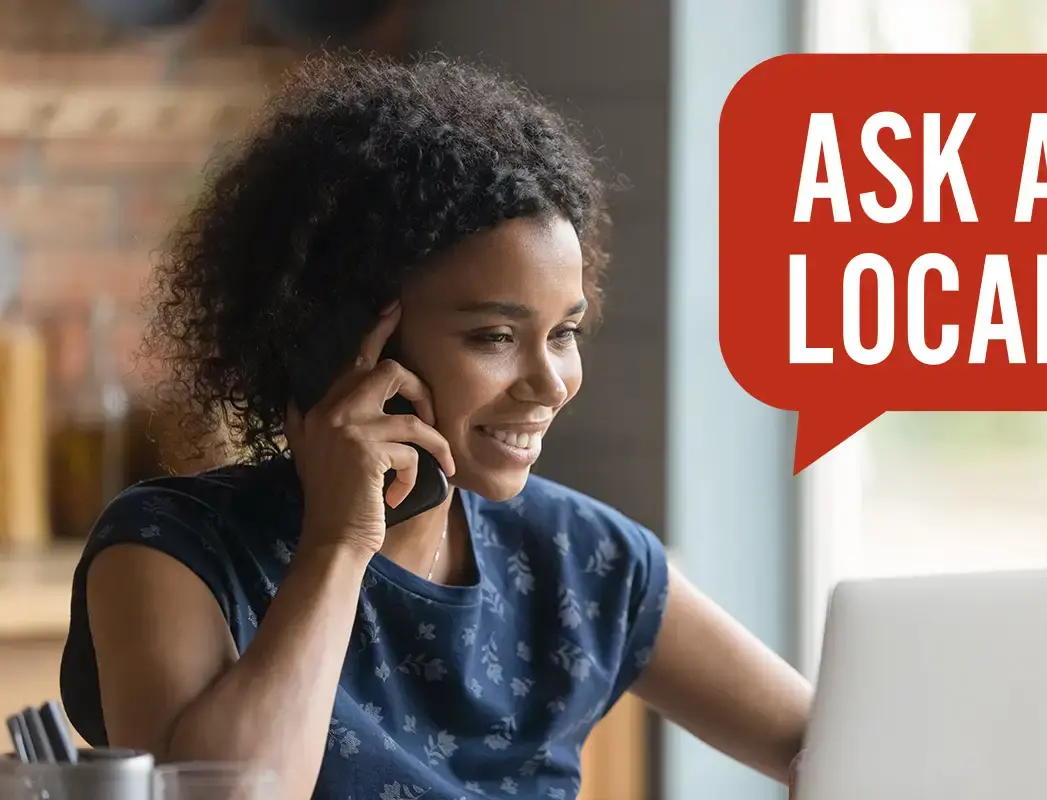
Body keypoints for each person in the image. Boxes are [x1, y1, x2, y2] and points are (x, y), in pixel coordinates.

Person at [59, 51, 813, 800]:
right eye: (494, 337)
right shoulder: (170, 551)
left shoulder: (582, 560)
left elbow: (830, 744)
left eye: (564, 334)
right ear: (349, 342)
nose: (550, 383)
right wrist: (339, 546)